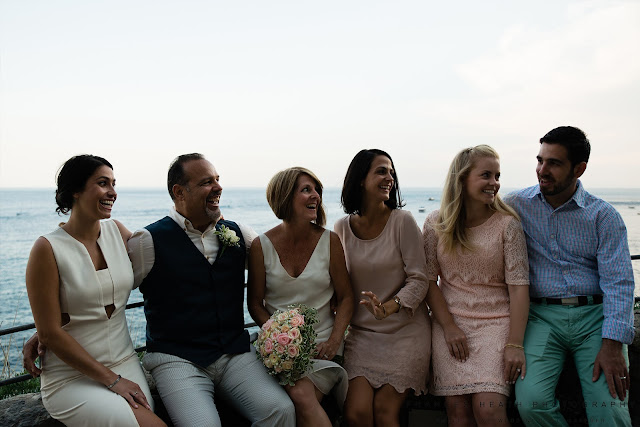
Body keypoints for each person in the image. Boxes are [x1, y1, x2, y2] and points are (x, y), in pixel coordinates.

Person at [24, 153, 296, 427]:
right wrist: (47, 330)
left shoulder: (238, 233)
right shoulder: (145, 241)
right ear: (179, 192)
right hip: (174, 359)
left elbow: (280, 270)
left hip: (223, 354)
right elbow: (85, 290)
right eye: (206, 182)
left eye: (217, 180)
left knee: (281, 409)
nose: (113, 192)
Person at [505, 126, 635, 426]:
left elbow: (619, 281)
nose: (542, 170)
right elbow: (470, 219)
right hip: (541, 318)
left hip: (595, 318)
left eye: (554, 163)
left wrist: (613, 343)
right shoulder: (515, 206)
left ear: (580, 168)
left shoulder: (603, 216)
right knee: (531, 404)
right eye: (540, 160)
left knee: (609, 408)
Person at [24, 155, 165, 426]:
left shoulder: (118, 232)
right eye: (103, 183)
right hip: (71, 376)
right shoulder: (47, 248)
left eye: (114, 184)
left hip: (124, 360)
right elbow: (51, 332)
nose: (113, 192)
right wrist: (114, 381)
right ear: (75, 190)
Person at [422, 145, 530, 426]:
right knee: (458, 414)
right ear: (462, 179)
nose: (494, 183)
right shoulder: (436, 223)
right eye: (486, 175)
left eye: (497, 176)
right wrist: (448, 326)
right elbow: (428, 280)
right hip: (449, 326)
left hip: (496, 325)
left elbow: (519, 288)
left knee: (488, 409)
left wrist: (515, 343)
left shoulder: (508, 225)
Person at [247, 167, 353, 426]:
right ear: (285, 197)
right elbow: (255, 304)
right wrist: (276, 337)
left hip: (322, 348)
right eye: (306, 190)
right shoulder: (261, 246)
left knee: (300, 394)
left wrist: (334, 341)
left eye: (317, 190)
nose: (315, 196)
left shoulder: (330, 241)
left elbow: (347, 297)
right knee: (294, 400)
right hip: (278, 350)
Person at [334, 149, 431, 427]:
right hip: (363, 336)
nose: (389, 177)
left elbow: (420, 279)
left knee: (386, 413)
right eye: (381, 171)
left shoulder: (403, 221)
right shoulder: (341, 228)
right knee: (356, 413)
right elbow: (337, 282)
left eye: (391, 172)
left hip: (405, 334)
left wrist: (387, 308)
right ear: (360, 180)